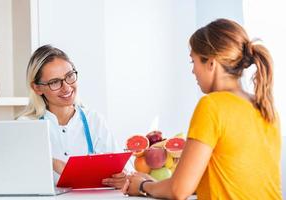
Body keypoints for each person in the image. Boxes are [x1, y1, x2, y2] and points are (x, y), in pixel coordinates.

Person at [122, 18, 282, 199]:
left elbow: (179, 190)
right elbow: (237, 179)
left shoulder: (212, 105)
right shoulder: (266, 108)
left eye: (194, 61)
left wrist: (144, 185)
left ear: (211, 63)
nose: (193, 71)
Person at [19, 44, 127, 189]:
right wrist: (51, 162)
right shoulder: (26, 126)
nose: (67, 87)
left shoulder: (94, 120)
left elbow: (121, 169)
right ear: (37, 88)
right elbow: (18, 177)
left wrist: (122, 178)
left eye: (69, 76)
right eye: (55, 82)